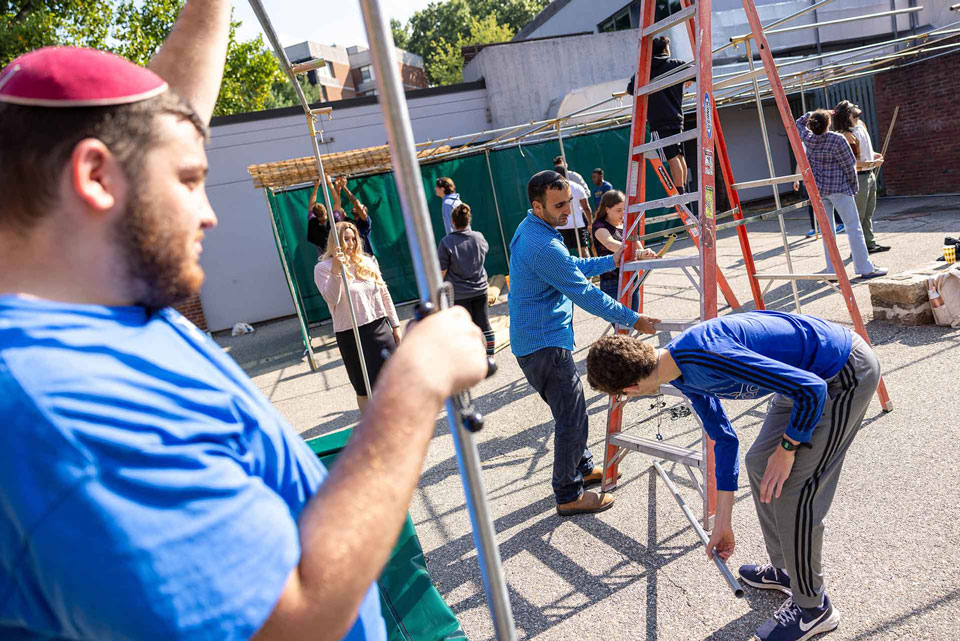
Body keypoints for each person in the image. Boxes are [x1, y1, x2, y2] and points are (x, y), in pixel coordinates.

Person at [0, 4, 490, 640]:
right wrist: (415, 383)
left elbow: (164, 121)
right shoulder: (60, 409)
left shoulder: (82, 295)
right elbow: (290, 626)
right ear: (95, 178)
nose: (208, 213)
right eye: (190, 180)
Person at [586, 311, 881, 641]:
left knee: (796, 487)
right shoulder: (677, 371)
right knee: (759, 463)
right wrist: (722, 522)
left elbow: (812, 389)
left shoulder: (705, 354)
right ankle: (787, 571)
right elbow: (725, 439)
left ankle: (814, 608)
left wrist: (788, 447)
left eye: (624, 396)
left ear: (631, 387)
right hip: (798, 383)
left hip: (840, 375)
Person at [508, 170, 660, 517]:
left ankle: (581, 465)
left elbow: (571, 266)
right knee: (572, 418)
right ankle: (568, 493)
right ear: (537, 205)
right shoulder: (541, 244)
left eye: (569, 203)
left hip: (536, 343)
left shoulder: (535, 229)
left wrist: (611, 259)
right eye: (559, 205)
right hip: (544, 346)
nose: (567, 211)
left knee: (569, 412)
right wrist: (633, 318)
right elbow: (584, 292)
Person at [315, 221, 402, 412]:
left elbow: (384, 293)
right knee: (364, 388)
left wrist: (395, 326)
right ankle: (371, 430)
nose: (351, 243)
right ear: (335, 242)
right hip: (350, 334)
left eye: (353, 238)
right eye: (346, 239)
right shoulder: (323, 268)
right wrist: (336, 270)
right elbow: (332, 298)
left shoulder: (367, 261)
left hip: (379, 327)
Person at [796, 110, 886, 279]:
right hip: (839, 189)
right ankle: (864, 268)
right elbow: (849, 165)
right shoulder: (837, 139)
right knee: (854, 228)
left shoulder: (808, 138)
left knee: (828, 232)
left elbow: (798, 123)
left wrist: (812, 113)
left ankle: (832, 270)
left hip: (819, 191)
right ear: (828, 124)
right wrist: (853, 186)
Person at [627, 36, 691, 192]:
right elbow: (696, 71)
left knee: (672, 157)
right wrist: (688, 78)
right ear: (665, 50)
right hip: (677, 118)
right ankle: (683, 192)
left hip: (659, 120)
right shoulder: (676, 64)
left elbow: (631, 89)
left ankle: (680, 194)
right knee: (679, 156)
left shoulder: (645, 70)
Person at [438, 203, 496, 356]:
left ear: (452, 221)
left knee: (464, 328)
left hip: (459, 294)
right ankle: (490, 357)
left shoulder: (446, 242)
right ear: (468, 220)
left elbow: (442, 270)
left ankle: (472, 357)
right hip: (480, 289)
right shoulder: (479, 237)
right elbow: (484, 253)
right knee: (484, 325)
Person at [833, 100, 889, 254]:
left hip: (869, 175)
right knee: (859, 214)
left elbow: (865, 149)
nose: (856, 108)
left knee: (869, 211)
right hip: (859, 177)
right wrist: (871, 162)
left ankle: (869, 244)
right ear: (847, 115)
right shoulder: (846, 136)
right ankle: (858, 249)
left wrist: (873, 154)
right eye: (852, 108)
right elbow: (850, 163)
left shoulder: (861, 125)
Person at [591, 189, 656, 310]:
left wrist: (646, 254)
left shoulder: (625, 224)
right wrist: (639, 253)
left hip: (632, 278)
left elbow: (636, 244)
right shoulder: (599, 225)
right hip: (612, 282)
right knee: (620, 324)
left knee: (634, 321)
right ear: (607, 209)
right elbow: (610, 244)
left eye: (624, 209)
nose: (623, 214)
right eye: (618, 210)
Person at [554, 165, 594, 257]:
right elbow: (586, 207)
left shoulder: (554, 190)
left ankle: (566, 271)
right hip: (578, 224)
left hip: (561, 225)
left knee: (563, 252)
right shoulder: (578, 187)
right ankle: (589, 271)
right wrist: (590, 223)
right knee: (583, 250)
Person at [306, 175, 344, 254]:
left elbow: (311, 206)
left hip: (324, 258)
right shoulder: (334, 219)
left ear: (315, 215)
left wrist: (316, 187)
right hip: (338, 253)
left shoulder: (313, 223)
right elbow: (337, 202)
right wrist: (330, 183)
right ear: (326, 211)